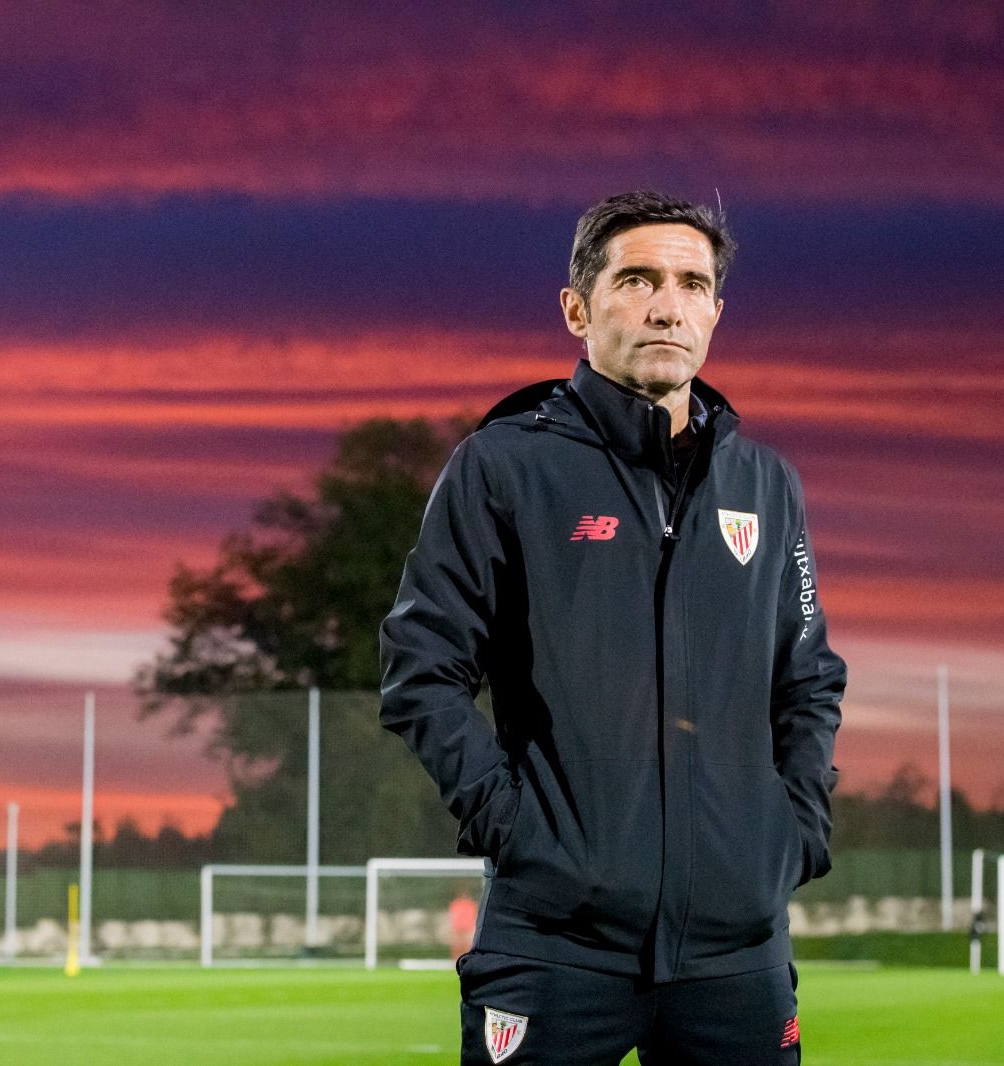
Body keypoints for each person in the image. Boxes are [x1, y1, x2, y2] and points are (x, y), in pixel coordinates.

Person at [379, 191, 845, 1065]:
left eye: (692, 285)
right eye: (637, 280)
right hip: (555, 942)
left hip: (737, 950)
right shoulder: (504, 465)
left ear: (715, 312)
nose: (668, 306)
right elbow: (421, 668)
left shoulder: (766, 484)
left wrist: (793, 832)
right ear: (577, 309)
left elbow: (808, 677)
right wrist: (522, 832)